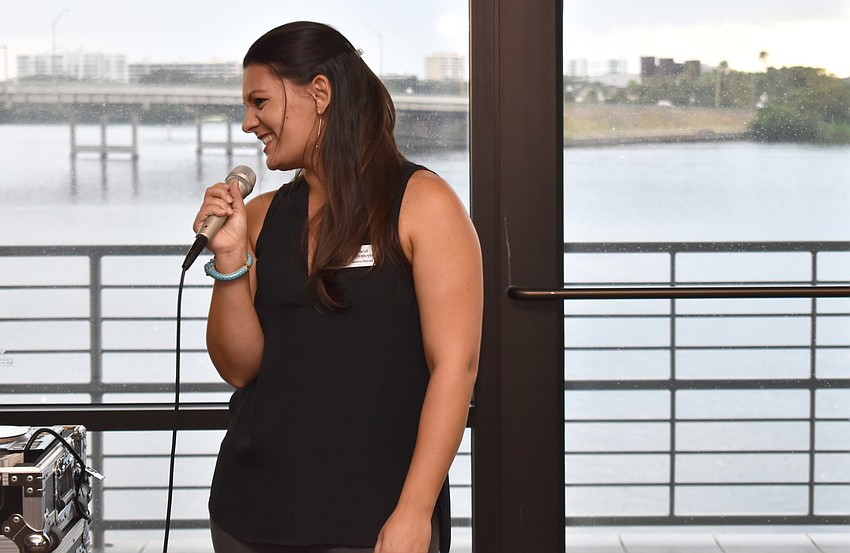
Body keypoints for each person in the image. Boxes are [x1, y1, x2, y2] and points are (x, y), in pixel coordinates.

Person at [192, 21, 482, 553]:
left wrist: (415, 511)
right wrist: (230, 261)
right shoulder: (258, 217)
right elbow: (240, 368)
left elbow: (455, 368)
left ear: (320, 93)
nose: (247, 124)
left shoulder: (423, 204)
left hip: (373, 520)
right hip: (249, 511)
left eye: (259, 102)